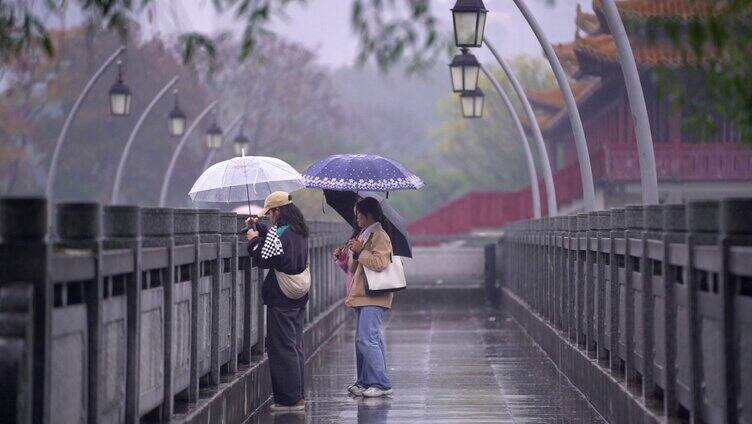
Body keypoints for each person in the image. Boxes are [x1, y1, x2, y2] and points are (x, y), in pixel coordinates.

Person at [246, 191, 310, 413]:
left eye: (270, 213)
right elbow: (278, 243)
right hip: (298, 296)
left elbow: (264, 258)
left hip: (281, 298)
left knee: (282, 348)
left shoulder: (278, 232)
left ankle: (289, 400)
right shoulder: (299, 230)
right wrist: (260, 228)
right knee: (295, 346)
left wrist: (253, 240)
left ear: (277, 211)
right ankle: (298, 395)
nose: (269, 217)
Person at [344, 197, 394, 398]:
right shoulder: (364, 235)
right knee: (364, 340)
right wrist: (352, 252)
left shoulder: (379, 235)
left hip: (375, 295)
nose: (356, 218)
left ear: (369, 214)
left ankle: (381, 383)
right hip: (363, 294)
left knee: (367, 339)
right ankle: (364, 382)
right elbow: (354, 267)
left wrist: (361, 251)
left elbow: (380, 263)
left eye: (358, 214)